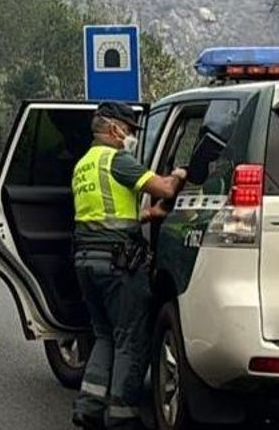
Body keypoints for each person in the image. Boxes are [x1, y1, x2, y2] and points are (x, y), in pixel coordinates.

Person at [71, 102, 187, 430]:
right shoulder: (117, 159)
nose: (131, 137)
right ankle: (122, 416)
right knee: (129, 339)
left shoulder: (84, 164)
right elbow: (164, 188)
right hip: (119, 265)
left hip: (86, 262)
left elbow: (104, 214)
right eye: (130, 130)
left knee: (104, 336)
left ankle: (88, 406)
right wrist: (178, 175)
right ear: (113, 129)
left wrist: (148, 215)